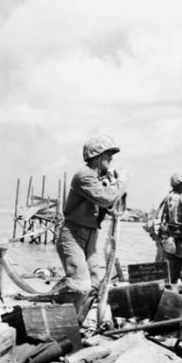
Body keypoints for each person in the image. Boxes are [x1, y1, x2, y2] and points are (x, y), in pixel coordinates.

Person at [53, 135, 128, 321]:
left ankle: (76, 324)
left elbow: (111, 206)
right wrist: (121, 182)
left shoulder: (99, 179)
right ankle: (57, 313)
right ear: (97, 156)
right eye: (108, 155)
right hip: (73, 235)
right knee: (80, 284)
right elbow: (105, 198)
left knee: (95, 284)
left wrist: (113, 183)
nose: (111, 159)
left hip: (91, 235)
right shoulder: (84, 176)